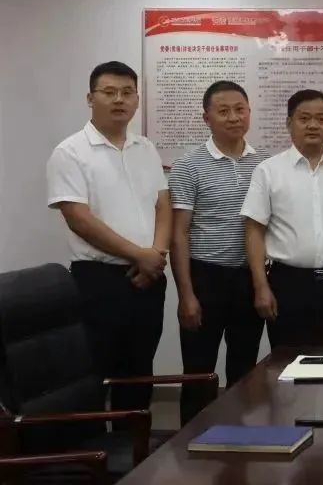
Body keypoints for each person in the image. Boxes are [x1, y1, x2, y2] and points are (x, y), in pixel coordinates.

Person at [46, 61, 170, 413]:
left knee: (140, 371)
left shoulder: (145, 148)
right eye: (109, 92)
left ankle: (134, 443)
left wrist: (156, 254)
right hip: (99, 280)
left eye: (127, 92)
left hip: (149, 278)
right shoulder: (70, 152)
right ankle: (95, 445)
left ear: (137, 99)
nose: (119, 99)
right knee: (96, 372)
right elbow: (79, 219)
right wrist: (140, 255)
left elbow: (162, 204)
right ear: (90, 98)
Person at [241, 89, 323, 348]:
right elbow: (254, 230)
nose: (313, 125)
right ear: (289, 123)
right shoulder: (268, 171)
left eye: (321, 119)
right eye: (304, 118)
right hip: (288, 284)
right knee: (287, 359)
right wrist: (261, 286)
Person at [168, 81, 266, 423]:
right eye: (223, 111)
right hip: (205, 277)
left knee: (244, 370)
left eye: (240, 110)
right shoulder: (189, 165)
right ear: (206, 118)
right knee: (198, 372)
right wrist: (186, 294)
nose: (233, 117)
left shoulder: (264, 164)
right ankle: (191, 443)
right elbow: (178, 234)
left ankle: (239, 442)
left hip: (249, 277)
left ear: (249, 113)